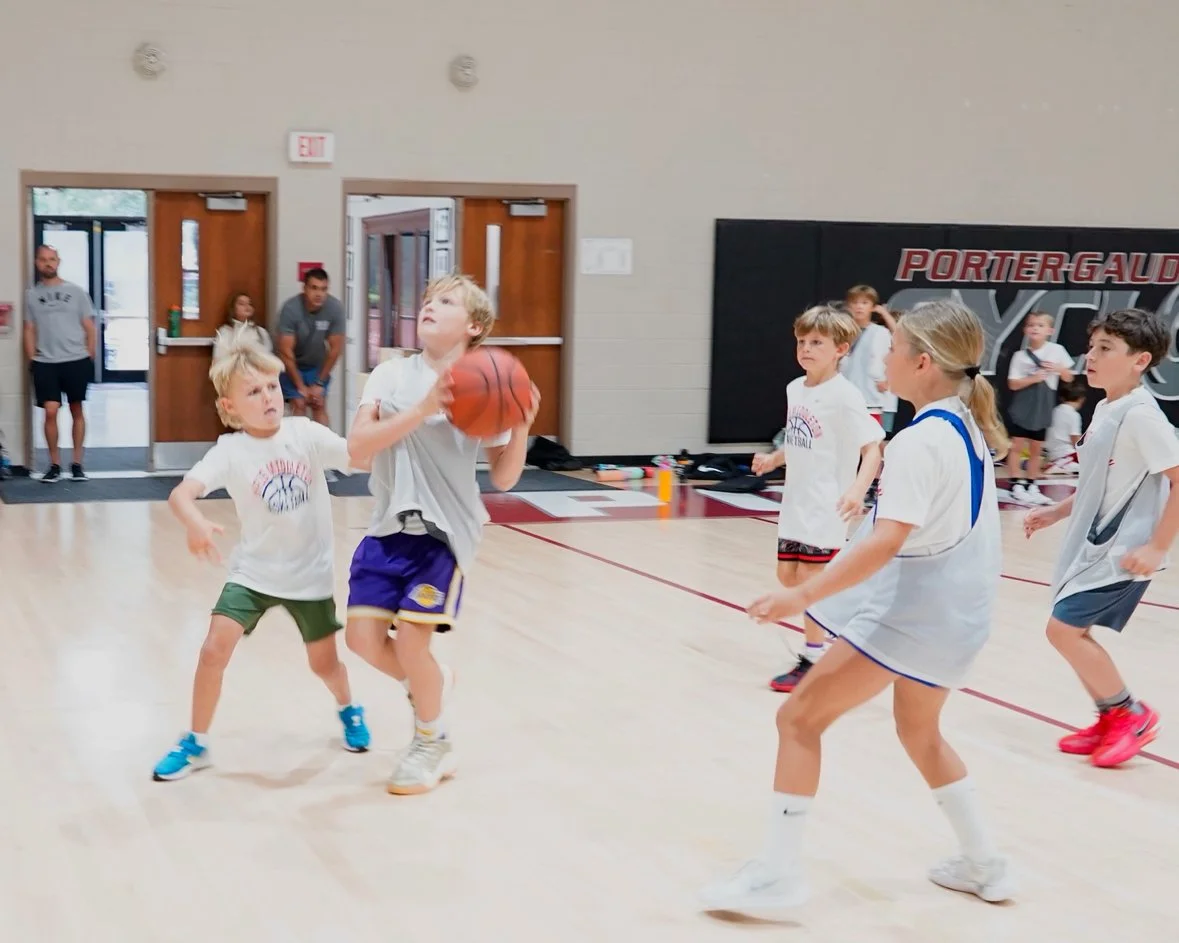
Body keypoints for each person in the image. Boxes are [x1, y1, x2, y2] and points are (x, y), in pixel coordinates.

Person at [700, 299, 1014, 912]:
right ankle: (986, 864)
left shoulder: (921, 441)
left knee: (798, 721)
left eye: (893, 351)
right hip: (963, 617)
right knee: (919, 731)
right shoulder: (966, 428)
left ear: (922, 363)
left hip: (914, 615)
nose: (883, 361)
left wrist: (802, 594)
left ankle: (778, 875)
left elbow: (886, 539)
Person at [345, 274, 539, 796]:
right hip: (387, 527)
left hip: (443, 536)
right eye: (428, 298)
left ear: (473, 326)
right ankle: (429, 681)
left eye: (446, 301)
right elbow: (358, 449)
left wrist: (521, 425)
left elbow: (502, 479)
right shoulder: (388, 375)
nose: (430, 305)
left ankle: (431, 741)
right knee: (360, 639)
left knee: (411, 642)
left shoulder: (485, 382)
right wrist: (422, 410)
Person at [151, 323, 369, 781]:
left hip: (309, 577)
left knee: (324, 664)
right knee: (213, 649)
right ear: (229, 407)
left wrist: (388, 425)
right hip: (253, 574)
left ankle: (349, 708)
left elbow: (357, 456)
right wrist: (195, 524)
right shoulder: (230, 450)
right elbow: (180, 494)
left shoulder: (305, 434)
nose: (269, 397)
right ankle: (196, 742)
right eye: (254, 391)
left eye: (272, 386)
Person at [1024, 308, 1179, 769]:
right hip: (1094, 546)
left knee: (1063, 630)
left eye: (1105, 349)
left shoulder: (1141, 416)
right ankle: (1111, 714)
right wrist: (1056, 510)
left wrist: (1156, 547)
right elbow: (1099, 482)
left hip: (1122, 552)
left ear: (1140, 360)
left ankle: (1130, 714)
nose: (1090, 356)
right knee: (1072, 630)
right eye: (1092, 347)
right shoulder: (1108, 407)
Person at [752, 305, 884, 693]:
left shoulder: (845, 396)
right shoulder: (796, 388)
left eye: (816, 343)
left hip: (828, 503)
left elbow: (873, 449)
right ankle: (840, 636)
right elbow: (798, 439)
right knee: (788, 576)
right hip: (795, 500)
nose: (806, 349)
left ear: (841, 349)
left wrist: (857, 490)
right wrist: (774, 458)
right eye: (802, 342)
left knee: (811, 580)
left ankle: (814, 657)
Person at [24, 244, 96, 483]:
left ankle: (77, 464)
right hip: (46, 362)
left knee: (77, 409)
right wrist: (32, 357)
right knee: (51, 412)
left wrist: (90, 355)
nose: (48, 263)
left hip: (76, 359)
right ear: (37, 263)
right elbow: (29, 328)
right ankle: (54, 464)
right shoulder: (31, 296)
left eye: (52, 259)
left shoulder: (76, 292)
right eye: (43, 259)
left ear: (58, 262)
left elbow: (89, 327)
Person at [1005, 311, 1075, 505]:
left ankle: (1032, 484)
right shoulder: (1019, 356)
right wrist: (1033, 378)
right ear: (1026, 329)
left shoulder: (1057, 350)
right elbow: (1012, 384)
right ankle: (1016, 484)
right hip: (1023, 405)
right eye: (1032, 325)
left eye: (1040, 325)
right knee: (1017, 446)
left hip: (1043, 405)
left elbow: (1069, 377)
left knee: (1037, 449)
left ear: (1050, 330)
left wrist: (1058, 369)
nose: (1035, 328)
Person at [276, 268, 345, 426]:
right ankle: (298, 449)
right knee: (299, 403)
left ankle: (326, 448)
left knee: (318, 403)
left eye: (323, 289)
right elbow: (286, 351)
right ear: (305, 288)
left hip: (317, 365)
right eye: (314, 288)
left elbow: (335, 349)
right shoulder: (291, 309)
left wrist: (319, 383)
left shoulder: (335, 308)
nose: (319, 294)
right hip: (293, 365)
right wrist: (301, 386)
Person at [1043, 379, 1086, 475]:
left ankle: (1059, 463)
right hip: (1066, 453)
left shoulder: (1054, 411)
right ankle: (1064, 464)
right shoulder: (1073, 414)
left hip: (1051, 452)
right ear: (1081, 399)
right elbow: (1075, 439)